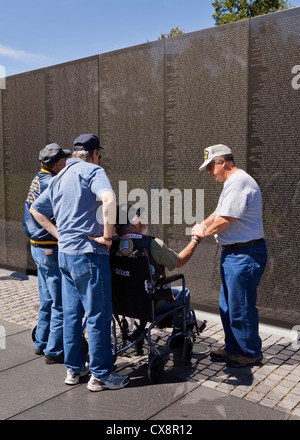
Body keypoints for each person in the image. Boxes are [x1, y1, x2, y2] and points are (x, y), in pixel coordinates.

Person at [30, 133, 129, 392]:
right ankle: (101, 375)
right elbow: (109, 199)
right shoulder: (93, 171)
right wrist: (108, 236)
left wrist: (60, 235)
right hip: (89, 254)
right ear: (95, 154)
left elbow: (36, 210)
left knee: (73, 315)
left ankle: (74, 370)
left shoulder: (59, 175)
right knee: (98, 315)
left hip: (65, 254)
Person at [192, 144, 267, 368]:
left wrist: (202, 233)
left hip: (245, 253)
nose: (209, 172)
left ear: (222, 162)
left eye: (210, 167)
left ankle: (250, 352)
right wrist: (202, 224)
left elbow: (227, 220)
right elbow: (219, 213)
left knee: (241, 306)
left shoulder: (238, 182)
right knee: (228, 305)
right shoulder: (231, 184)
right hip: (235, 253)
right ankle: (233, 347)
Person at [89, 203, 202, 348]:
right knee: (183, 291)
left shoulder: (110, 244)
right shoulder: (152, 244)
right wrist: (196, 240)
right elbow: (179, 261)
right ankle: (178, 333)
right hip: (150, 304)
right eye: (140, 216)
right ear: (135, 222)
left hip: (119, 303)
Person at [23, 143, 71, 364]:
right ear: (59, 164)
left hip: (38, 247)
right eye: (65, 161)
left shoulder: (39, 177)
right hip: (50, 247)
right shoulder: (53, 183)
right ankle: (54, 350)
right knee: (60, 302)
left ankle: (41, 342)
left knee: (46, 299)